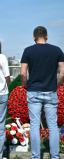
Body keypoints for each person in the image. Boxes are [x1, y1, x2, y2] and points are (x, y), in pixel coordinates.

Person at [20, 26, 64, 159]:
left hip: (33, 91)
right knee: (52, 126)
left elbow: (22, 73)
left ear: (34, 37)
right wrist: (55, 85)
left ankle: (35, 156)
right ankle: (55, 156)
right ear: (47, 36)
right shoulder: (57, 51)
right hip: (50, 91)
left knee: (34, 125)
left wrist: (26, 86)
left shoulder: (28, 51)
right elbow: (62, 72)